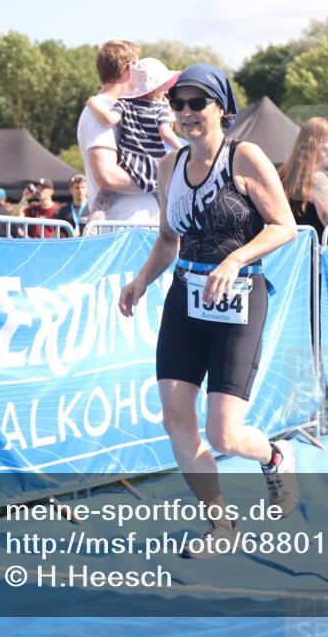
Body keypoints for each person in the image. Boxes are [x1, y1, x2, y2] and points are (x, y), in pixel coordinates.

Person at [117, 64, 299, 558]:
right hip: (186, 299)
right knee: (176, 418)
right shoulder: (169, 165)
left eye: (198, 103)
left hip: (239, 299)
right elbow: (167, 238)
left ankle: (275, 455)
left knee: (225, 432)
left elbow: (284, 226)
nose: (186, 113)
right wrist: (140, 280)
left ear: (222, 107)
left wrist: (236, 257)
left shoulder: (245, 157)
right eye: (178, 104)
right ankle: (221, 524)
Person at [76, 40, 160, 225]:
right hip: (122, 231)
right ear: (129, 69)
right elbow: (108, 175)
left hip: (136, 229)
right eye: (138, 66)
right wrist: (160, 181)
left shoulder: (119, 107)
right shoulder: (101, 109)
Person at [85, 57, 182, 214]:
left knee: (104, 196)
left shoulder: (123, 104)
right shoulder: (161, 108)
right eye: (163, 84)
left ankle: (96, 216)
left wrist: (92, 102)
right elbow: (165, 133)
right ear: (153, 87)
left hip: (130, 164)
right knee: (165, 202)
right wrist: (181, 148)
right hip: (155, 165)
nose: (166, 88)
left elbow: (109, 119)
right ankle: (173, 230)